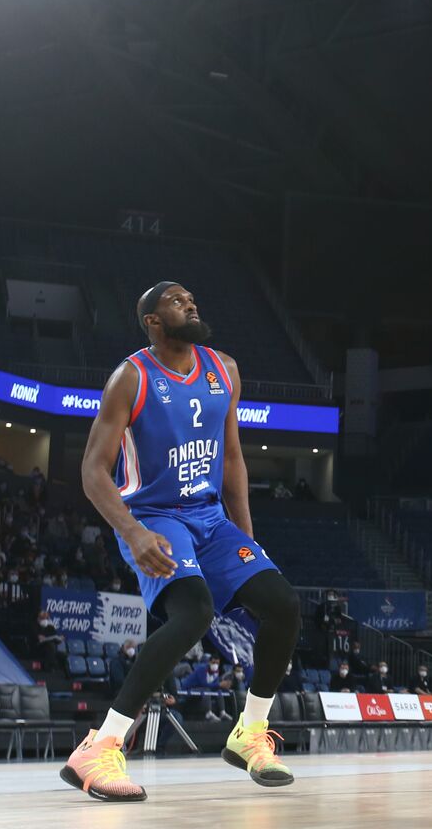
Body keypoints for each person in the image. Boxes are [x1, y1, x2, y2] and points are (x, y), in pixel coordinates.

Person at [60, 282, 301, 801]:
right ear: (151, 320)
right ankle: (100, 746)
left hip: (211, 519)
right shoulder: (131, 377)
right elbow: (93, 471)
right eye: (175, 301)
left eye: (192, 298)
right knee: (192, 613)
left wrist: (247, 539)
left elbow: (233, 457)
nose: (190, 304)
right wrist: (132, 530)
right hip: (155, 516)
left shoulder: (225, 370)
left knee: (282, 605)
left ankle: (249, 735)